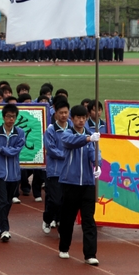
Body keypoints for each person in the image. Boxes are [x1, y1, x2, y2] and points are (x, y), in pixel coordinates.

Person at [57, 104, 101, 265]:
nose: (81, 120)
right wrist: (88, 139)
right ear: (72, 119)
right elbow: (70, 142)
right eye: (78, 118)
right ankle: (64, 247)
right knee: (67, 218)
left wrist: (98, 165)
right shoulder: (67, 134)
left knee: (89, 219)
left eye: (84, 118)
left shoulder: (91, 136)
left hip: (88, 183)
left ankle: (90, 254)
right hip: (70, 182)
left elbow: (95, 154)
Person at [0, 104, 26, 241]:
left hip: (14, 173)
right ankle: (5, 230)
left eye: (13, 117)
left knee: (8, 202)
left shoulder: (20, 132)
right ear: (3, 117)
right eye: (8, 116)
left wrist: (1, 150)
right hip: (0, 174)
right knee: (3, 201)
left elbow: (16, 149)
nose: (11, 119)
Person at [42, 97, 70, 234]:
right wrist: (67, 155)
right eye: (61, 113)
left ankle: (60, 223)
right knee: (55, 200)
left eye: (66, 112)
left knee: (66, 202)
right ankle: (47, 218)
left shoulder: (72, 128)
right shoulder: (51, 130)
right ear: (55, 114)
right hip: (55, 171)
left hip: (70, 172)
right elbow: (51, 149)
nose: (64, 115)